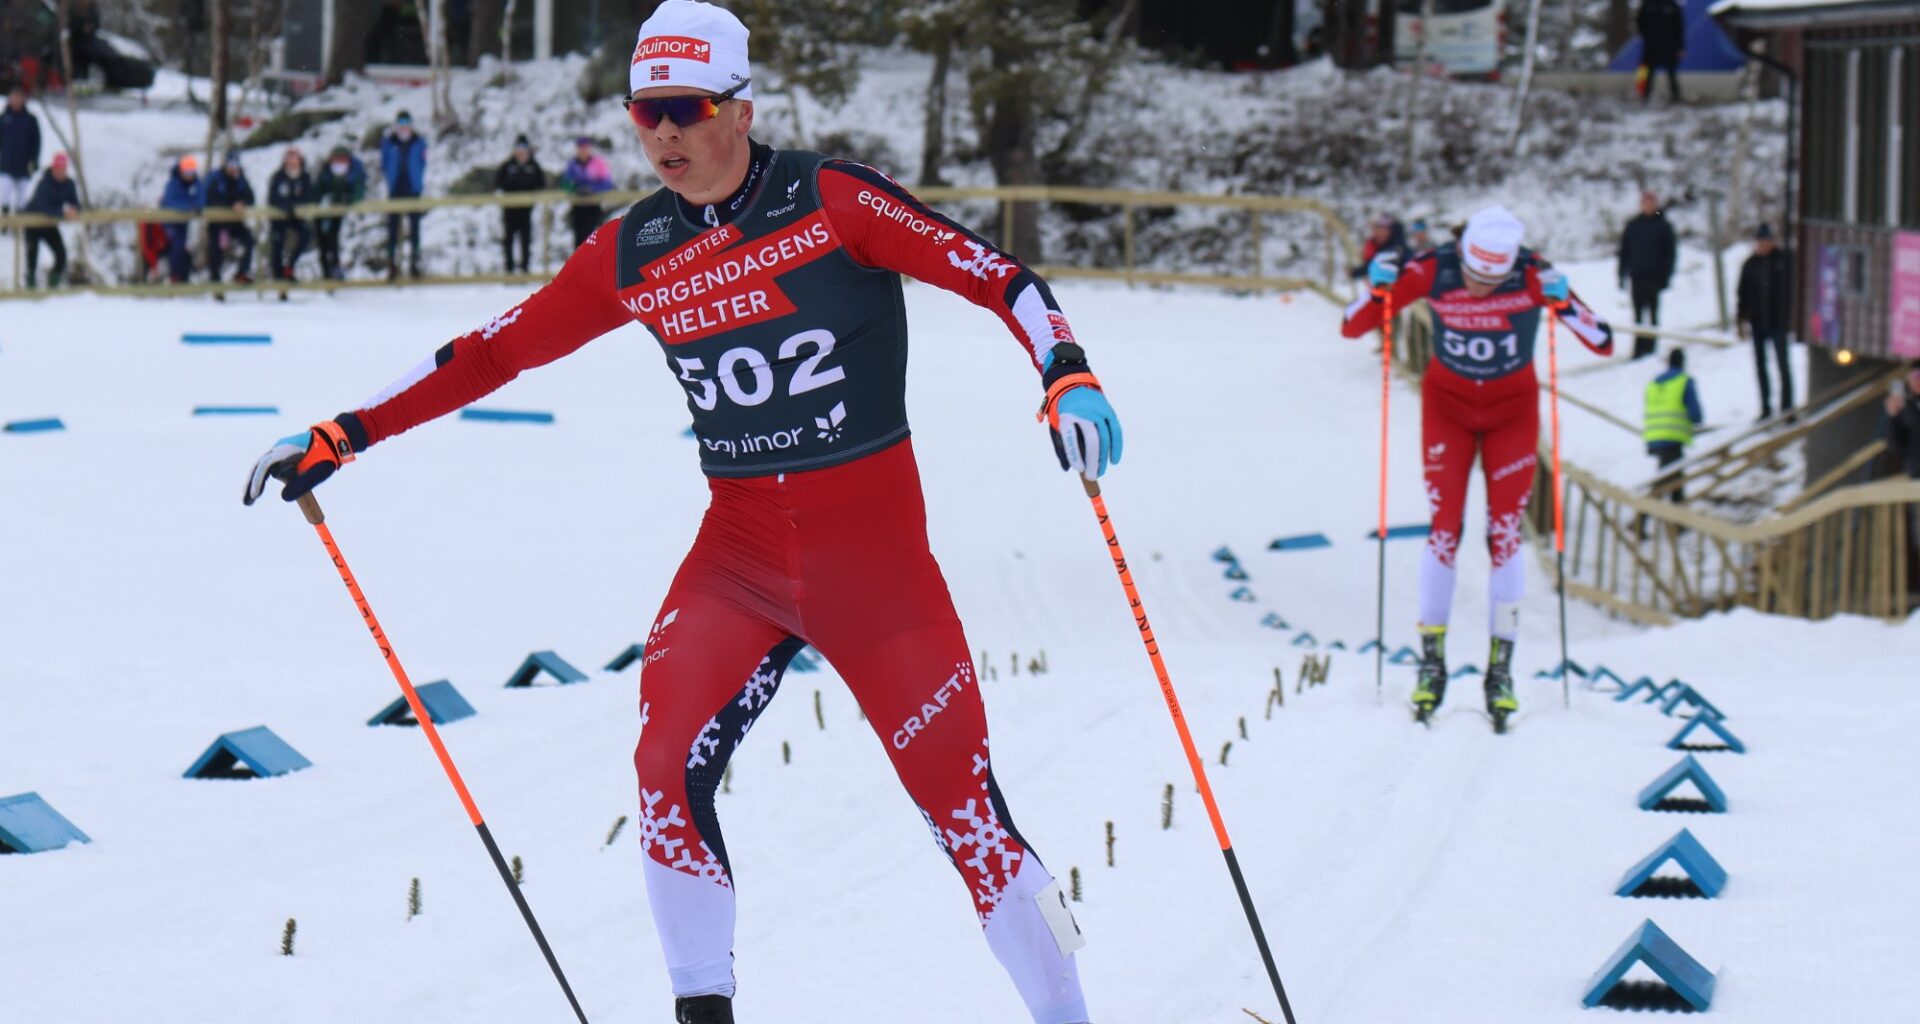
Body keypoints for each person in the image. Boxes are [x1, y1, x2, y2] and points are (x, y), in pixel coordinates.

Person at [241, 3, 1117, 1022]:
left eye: (684, 110)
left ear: (739, 109)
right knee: (664, 768)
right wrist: (346, 431)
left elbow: (1002, 278)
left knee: (963, 811)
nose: (661, 134)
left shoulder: (832, 200)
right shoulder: (635, 247)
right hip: (738, 561)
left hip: (875, 574)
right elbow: (491, 351)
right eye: (643, 112)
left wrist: (1066, 369)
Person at [1342, 206, 1613, 722]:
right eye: (1473, 277)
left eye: (1493, 280)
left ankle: (1500, 668)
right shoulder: (1433, 269)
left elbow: (1603, 341)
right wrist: (1374, 290)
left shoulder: (1533, 274)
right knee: (1445, 529)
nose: (1482, 289)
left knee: (1505, 534)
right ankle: (1431, 663)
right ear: (1463, 256)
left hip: (1512, 412)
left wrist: (1566, 304)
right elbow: (1353, 327)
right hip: (1448, 410)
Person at [1736, 223, 1793, 419]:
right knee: (1761, 367)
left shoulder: (1783, 261)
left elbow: (1791, 291)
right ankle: (1765, 407)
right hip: (1758, 322)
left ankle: (1787, 407)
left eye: (1765, 241)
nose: (1762, 245)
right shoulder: (1750, 264)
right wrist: (1741, 319)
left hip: (1778, 322)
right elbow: (1742, 294)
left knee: (1783, 365)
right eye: (1760, 242)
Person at [1618, 190, 1676, 359]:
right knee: (1637, 314)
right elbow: (1624, 251)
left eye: (1651, 203)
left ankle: (1652, 346)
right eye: (1645, 203)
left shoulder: (1663, 225)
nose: (1648, 206)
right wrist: (1622, 272)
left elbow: (1670, 254)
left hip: (1654, 277)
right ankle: (1639, 347)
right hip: (1637, 276)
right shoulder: (1634, 225)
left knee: (1653, 313)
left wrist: (1666, 276)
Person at [1643, 347, 1703, 503]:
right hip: (1673, 436)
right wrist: (1695, 423)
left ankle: (1675, 520)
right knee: (1671, 480)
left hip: (1653, 436)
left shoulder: (1654, 383)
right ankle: (1644, 516)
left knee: (1670, 476)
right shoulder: (1683, 381)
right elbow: (1695, 414)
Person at [380, 110, 428, 278]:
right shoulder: (389, 143)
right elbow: (384, 163)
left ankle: (415, 261)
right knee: (393, 228)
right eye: (401, 124)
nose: (404, 127)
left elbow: (422, 163)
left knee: (414, 228)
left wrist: (418, 183)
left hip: (412, 189)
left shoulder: (418, 142)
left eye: (407, 123)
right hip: (395, 189)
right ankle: (392, 263)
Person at [22, 150, 78, 288]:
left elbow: (75, 202)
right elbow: (43, 206)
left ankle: (52, 284)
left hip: (49, 224)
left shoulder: (69, 184)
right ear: (53, 168)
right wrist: (63, 212)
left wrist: (74, 209)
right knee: (32, 256)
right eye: (58, 169)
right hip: (32, 223)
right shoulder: (45, 183)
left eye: (63, 169)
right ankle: (30, 287)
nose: (60, 172)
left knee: (61, 255)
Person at [494, 134, 545, 273]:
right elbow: (499, 184)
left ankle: (525, 269)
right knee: (509, 240)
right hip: (510, 210)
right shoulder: (507, 166)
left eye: (523, 148)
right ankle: (509, 270)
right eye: (518, 148)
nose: (521, 151)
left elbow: (541, 184)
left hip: (526, 211)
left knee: (525, 240)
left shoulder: (533, 166)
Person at [315, 145, 366, 281]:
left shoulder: (355, 173)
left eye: (342, 160)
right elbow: (317, 191)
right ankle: (327, 272)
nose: (339, 163)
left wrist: (348, 200)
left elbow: (358, 191)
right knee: (324, 241)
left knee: (334, 239)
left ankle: (336, 268)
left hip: (342, 213)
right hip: (324, 211)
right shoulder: (326, 172)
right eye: (336, 160)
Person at [207, 151, 257, 284]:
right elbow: (211, 199)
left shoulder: (241, 179)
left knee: (249, 241)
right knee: (216, 252)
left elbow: (251, 197)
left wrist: (243, 203)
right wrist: (231, 205)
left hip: (235, 223)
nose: (233, 168)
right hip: (218, 223)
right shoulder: (216, 179)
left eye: (236, 165)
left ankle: (242, 272)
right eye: (231, 164)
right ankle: (215, 281)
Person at [267, 147, 314, 283]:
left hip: (297, 216)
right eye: (289, 159)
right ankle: (278, 275)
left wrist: (295, 206)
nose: (292, 163)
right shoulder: (278, 177)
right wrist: (286, 206)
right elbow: (273, 198)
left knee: (306, 234)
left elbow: (309, 197)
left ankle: (290, 266)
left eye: (295, 159)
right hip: (279, 216)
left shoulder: (305, 177)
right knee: (278, 242)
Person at [559, 134, 614, 248]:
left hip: (593, 205)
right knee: (579, 239)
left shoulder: (598, 163)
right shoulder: (572, 165)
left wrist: (592, 188)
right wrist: (575, 188)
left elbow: (607, 183)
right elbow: (565, 184)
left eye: (585, 148)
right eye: (581, 148)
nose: (583, 151)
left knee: (594, 237)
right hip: (578, 206)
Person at [159, 154, 206, 283]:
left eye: (192, 172)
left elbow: (201, 198)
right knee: (176, 247)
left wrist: (196, 206)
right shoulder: (173, 184)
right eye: (187, 171)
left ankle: (183, 279)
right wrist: (188, 207)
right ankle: (173, 277)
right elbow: (171, 202)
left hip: (184, 223)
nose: (189, 174)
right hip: (169, 223)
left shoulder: (196, 184)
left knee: (185, 250)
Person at [0, 83, 40, 219]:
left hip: (24, 166)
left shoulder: (30, 120)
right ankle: (5, 223)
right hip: (6, 165)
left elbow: (36, 142)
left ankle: (19, 226)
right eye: (13, 97)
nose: (16, 100)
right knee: (4, 196)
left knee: (22, 200)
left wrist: (34, 160)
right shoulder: (4, 118)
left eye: (19, 97)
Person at [1636, 0, 1685, 104]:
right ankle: (1644, 95)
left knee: (1671, 72)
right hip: (1651, 46)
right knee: (1646, 71)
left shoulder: (1672, 5)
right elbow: (1640, 22)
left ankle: (1675, 96)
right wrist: (1647, 36)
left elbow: (1679, 27)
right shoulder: (1648, 4)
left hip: (1669, 46)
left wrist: (1680, 47)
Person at [1351, 212, 1407, 281]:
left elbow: (1378, 263)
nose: (1380, 233)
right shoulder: (1375, 245)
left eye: (1384, 229)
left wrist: (1356, 272)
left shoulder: (1397, 248)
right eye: (1377, 229)